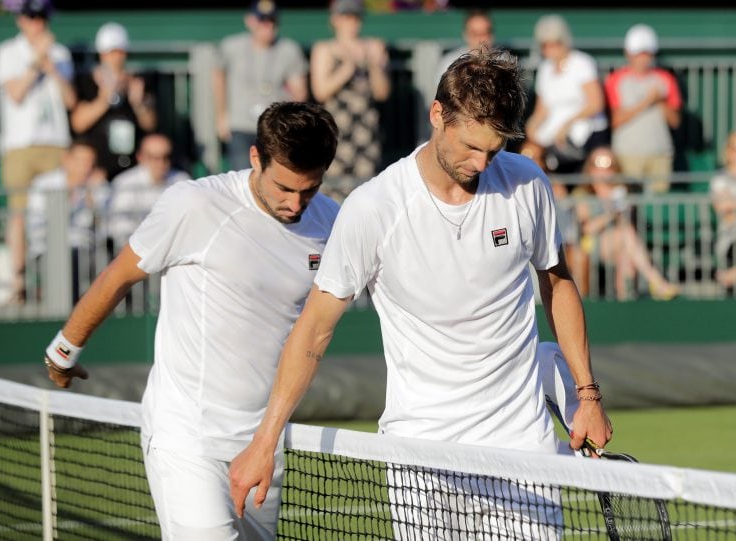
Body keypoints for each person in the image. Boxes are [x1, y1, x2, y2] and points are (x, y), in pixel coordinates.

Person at [230, 48, 612, 538]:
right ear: (438, 115)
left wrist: (588, 394)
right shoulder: (374, 208)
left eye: (494, 151)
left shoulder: (527, 185)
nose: (481, 163)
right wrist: (265, 439)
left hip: (522, 451)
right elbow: (314, 329)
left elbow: (557, 283)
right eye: (472, 147)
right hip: (422, 459)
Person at [42, 102, 339, 539]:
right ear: (256, 157)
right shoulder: (194, 204)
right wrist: (64, 350)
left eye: (308, 191)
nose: (295, 204)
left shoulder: (330, 221)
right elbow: (119, 276)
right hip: (187, 438)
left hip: (263, 445)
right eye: (284, 188)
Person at [0, 0, 77, 303]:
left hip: (55, 143)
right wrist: (35, 60)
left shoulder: (61, 54)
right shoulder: (7, 52)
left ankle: (57, 287)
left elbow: (69, 101)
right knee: (19, 216)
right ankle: (18, 287)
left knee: (57, 216)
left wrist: (51, 65)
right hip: (20, 146)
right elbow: (15, 93)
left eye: (41, 16)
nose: (37, 23)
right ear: (20, 20)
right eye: (30, 17)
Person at [212, 0, 308, 172]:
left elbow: (299, 91)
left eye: (272, 20)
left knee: (273, 173)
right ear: (250, 21)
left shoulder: (288, 49)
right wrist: (221, 116)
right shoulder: (232, 46)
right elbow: (218, 79)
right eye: (262, 20)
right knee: (242, 174)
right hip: (240, 123)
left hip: (274, 126)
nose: (268, 25)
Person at [573, 146, 679, 300]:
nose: (603, 170)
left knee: (626, 257)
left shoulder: (623, 192)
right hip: (591, 245)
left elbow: (626, 223)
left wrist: (622, 208)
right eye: (598, 164)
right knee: (626, 234)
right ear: (590, 168)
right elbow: (587, 228)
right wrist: (611, 213)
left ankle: (625, 304)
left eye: (609, 165)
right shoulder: (582, 194)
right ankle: (656, 281)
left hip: (619, 244)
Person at [310, 0, 390, 201]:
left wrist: (374, 65)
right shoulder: (325, 49)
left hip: (366, 133)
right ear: (335, 20)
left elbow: (382, 93)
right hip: (336, 133)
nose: (351, 22)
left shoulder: (374, 46)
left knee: (366, 194)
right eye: (346, 17)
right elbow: (320, 92)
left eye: (355, 17)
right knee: (333, 194)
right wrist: (347, 68)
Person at [71, 22, 158, 181]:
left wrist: (139, 104)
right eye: (112, 53)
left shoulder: (138, 82)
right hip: (97, 170)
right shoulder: (86, 82)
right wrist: (103, 99)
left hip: (130, 169)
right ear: (102, 54)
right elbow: (78, 123)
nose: (116, 58)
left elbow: (150, 124)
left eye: (120, 52)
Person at [26, 139, 109, 304]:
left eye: (90, 162)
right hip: (47, 248)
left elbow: (103, 227)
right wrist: (72, 190)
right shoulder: (44, 183)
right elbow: (37, 224)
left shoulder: (98, 186)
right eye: (81, 161)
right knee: (66, 260)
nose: (86, 167)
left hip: (85, 251)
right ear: (66, 159)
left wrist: (90, 196)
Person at [524, 14, 610, 175]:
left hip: (588, 134)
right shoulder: (545, 69)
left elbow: (595, 103)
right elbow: (542, 110)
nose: (549, 49)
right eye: (545, 45)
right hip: (556, 135)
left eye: (554, 43)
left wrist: (567, 124)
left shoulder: (582, 63)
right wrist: (532, 126)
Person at [604, 24, 682, 194]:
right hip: (628, 154)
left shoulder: (666, 79)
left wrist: (660, 101)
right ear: (628, 54)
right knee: (632, 204)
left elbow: (675, 121)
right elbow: (616, 120)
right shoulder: (615, 80)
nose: (643, 59)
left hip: (660, 153)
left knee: (658, 206)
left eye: (647, 53)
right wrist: (648, 100)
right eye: (639, 53)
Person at [107, 133, 190, 250]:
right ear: (140, 157)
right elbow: (119, 226)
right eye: (154, 157)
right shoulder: (125, 183)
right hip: (136, 254)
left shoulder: (182, 179)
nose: (161, 163)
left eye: (166, 156)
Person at [434, 9, 496, 85]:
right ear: (466, 34)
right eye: (475, 33)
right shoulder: (449, 63)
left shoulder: (505, 63)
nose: (481, 39)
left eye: (486, 32)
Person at [710, 131, 736, 290]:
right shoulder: (720, 179)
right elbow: (723, 207)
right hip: (730, 236)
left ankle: (730, 276)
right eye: (734, 149)